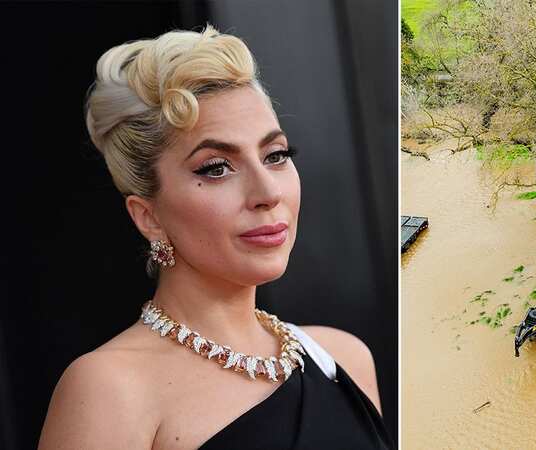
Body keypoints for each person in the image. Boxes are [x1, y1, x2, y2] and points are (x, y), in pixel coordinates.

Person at [38, 24, 392, 449]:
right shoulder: (109, 390)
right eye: (216, 167)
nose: (268, 193)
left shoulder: (343, 358)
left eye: (275, 156)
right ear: (148, 216)